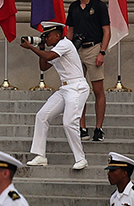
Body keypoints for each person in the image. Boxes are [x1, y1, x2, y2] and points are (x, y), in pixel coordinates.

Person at [20, 20, 89, 170]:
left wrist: (31, 48)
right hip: (65, 89)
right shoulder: (57, 48)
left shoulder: (65, 44)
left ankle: (81, 158)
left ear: (57, 35)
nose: (46, 38)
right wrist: (41, 47)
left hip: (77, 87)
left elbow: (49, 57)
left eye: (48, 36)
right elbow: (44, 66)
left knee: (69, 122)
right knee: (42, 115)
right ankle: (40, 155)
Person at [65, 0, 110, 139]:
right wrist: (66, 50)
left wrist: (102, 52)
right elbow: (70, 30)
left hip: (93, 48)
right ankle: (82, 127)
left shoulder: (98, 6)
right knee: (78, 90)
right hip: (77, 50)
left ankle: (99, 127)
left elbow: (107, 30)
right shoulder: (74, 7)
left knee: (98, 89)